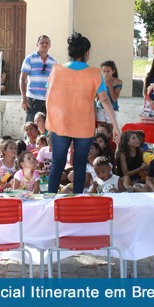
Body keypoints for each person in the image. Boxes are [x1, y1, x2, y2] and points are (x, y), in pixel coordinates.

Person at [46, 32, 121, 194]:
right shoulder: (94, 73)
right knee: (80, 164)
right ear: (86, 53)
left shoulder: (56, 70)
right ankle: (77, 199)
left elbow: (49, 98)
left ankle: (50, 200)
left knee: (57, 164)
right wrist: (115, 126)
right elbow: (105, 100)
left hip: (60, 124)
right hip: (83, 126)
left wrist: (50, 125)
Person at [20, 35, 56, 122]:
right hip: (33, 99)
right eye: (41, 42)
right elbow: (22, 79)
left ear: (50, 45)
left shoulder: (53, 62)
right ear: (37, 44)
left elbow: (54, 82)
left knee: (45, 127)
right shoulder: (30, 59)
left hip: (47, 100)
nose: (44, 44)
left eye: (46, 43)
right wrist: (24, 98)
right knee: (31, 126)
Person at [96, 60, 122, 126]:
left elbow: (114, 99)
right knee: (101, 127)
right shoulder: (99, 80)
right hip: (100, 107)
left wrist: (110, 84)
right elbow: (98, 97)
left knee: (110, 128)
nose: (105, 73)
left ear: (113, 71)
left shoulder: (118, 81)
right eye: (104, 71)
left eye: (108, 71)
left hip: (112, 108)